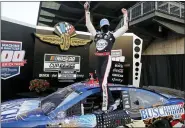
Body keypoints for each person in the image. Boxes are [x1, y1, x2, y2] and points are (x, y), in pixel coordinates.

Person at [84, 2, 128, 112]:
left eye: (106, 25)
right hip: (97, 59)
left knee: (104, 82)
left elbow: (125, 27)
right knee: (100, 82)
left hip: (106, 59)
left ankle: (107, 106)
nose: (105, 27)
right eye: (103, 25)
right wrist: (87, 11)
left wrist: (125, 15)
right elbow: (88, 24)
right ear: (100, 26)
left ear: (108, 25)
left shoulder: (112, 35)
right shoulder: (96, 34)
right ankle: (111, 102)